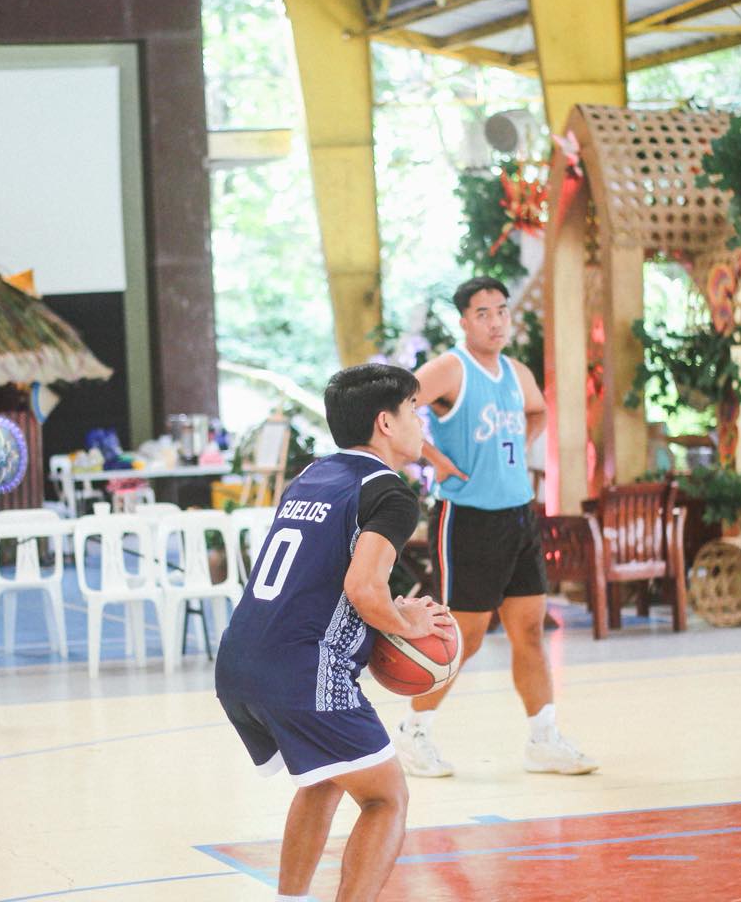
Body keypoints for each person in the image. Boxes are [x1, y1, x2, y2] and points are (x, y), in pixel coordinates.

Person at [215, 363, 454, 902]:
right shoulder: (389, 492)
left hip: (238, 660)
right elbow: (363, 587)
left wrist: (382, 611)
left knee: (323, 778)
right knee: (385, 798)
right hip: (302, 669)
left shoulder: (311, 475)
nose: (421, 423)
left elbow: (319, 577)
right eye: (414, 410)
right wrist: (406, 623)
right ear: (385, 423)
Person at [395, 276, 598, 778]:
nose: (495, 321)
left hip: (518, 514)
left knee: (529, 629)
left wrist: (519, 443)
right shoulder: (450, 368)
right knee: (465, 635)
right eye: (483, 313)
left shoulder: (515, 372)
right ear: (464, 321)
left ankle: (543, 739)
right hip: (467, 518)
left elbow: (538, 410)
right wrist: (436, 460)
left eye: (501, 311)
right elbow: (395, 407)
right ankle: (413, 732)